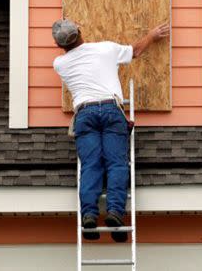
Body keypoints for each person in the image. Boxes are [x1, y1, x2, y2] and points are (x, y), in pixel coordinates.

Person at [51, 18, 170, 242]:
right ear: (80, 30)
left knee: (91, 165)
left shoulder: (59, 64)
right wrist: (152, 36)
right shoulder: (106, 49)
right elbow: (134, 51)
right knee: (116, 163)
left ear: (59, 46)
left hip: (84, 115)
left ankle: (89, 215)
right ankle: (115, 212)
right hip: (110, 109)